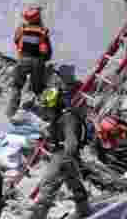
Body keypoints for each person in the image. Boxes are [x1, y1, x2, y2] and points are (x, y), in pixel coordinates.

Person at [30, 87, 90, 219]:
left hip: (63, 155)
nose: (44, 111)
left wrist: (66, 159)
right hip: (65, 155)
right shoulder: (59, 118)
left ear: (54, 107)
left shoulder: (67, 118)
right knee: (73, 182)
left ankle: (38, 216)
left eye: (46, 108)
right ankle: (83, 209)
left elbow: (71, 142)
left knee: (48, 184)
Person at [7, 4, 53, 118]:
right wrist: (44, 60)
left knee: (16, 86)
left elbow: (16, 40)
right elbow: (47, 52)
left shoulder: (22, 28)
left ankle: (10, 113)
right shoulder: (43, 31)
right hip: (37, 62)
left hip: (22, 60)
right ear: (38, 18)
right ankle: (47, 114)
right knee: (39, 90)